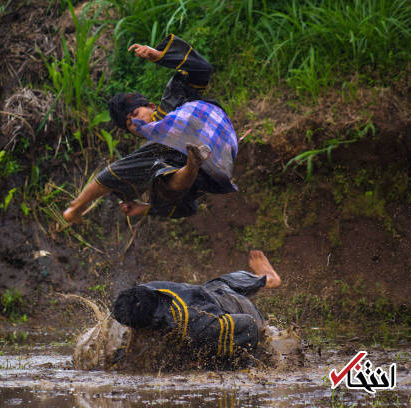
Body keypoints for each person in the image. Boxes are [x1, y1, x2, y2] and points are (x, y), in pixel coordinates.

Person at [63, 34, 239, 223]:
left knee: (127, 166)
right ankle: (192, 164)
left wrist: (160, 56)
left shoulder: (171, 99)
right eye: (129, 124)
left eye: (136, 113)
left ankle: (75, 206)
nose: (135, 122)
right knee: (161, 182)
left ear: (152, 106)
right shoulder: (161, 153)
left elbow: (203, 69)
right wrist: (143, 209)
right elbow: (186, 208)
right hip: (217, 167)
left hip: (212, 131)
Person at [111, 250, 282, 368]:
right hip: (207, 291)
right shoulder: (142, 293)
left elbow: (248, 325)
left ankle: (269, 279)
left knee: (253, 322)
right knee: (223, 283)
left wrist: (230, 367)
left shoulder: (196, 324)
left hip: (236, 306)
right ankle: (264, 278)